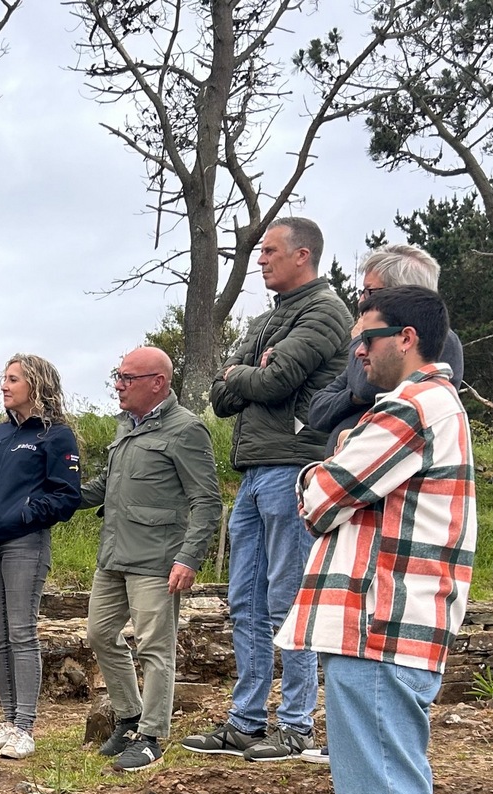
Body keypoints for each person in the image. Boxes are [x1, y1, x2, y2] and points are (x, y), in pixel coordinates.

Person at [278, 285, 477, 794]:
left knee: (384, 787)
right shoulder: (434, 407)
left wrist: (322, 462)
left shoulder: (411, 407)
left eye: (367, 337)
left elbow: (322, 497)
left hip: (380, 623)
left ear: (408, 337)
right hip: (386, 624)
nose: (358, 351)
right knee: (380, 782)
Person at [183, 216, 351, 764]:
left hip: (294, 468)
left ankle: (297, 725)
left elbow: (275, 382)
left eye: (270, 251)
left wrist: (244, 374)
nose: (260, 260)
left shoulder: (325, 312)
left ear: (302, 255)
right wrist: (243, 373)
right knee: (244, 601)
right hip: (254, 472)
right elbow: (220, 397)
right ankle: (246, 722)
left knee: (287, 600)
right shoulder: (266, 319)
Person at [81, 346, 221, 772]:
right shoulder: (126, 425)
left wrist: (189, 558)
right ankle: (129, 717)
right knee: (99, 634)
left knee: (154, 648)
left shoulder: (186, 429)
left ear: (157, 382)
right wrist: (55, 498)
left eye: (128, 378)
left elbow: (207, 501)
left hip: (157, 560)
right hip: (113, 556)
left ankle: (151, 737)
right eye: (118, 376)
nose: (118, 386)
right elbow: (105, 486)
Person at [0, 355, 83, 760]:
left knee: (21, 632)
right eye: (4, 379)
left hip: (24, 544)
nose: (4, 386)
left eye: (13, 379)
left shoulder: (56, 436)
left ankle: (25, 727)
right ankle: (8, 720)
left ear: (36, 384)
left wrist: (25, 515)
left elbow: (66, 496)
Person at [308, 244, 466, 454]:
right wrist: (353, 398)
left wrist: (359, 338)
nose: (361, 300)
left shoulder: (439, 340)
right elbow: (317, 410)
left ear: (401, 292)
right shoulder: (381, 344)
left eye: (370, 291)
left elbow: (364, 387)